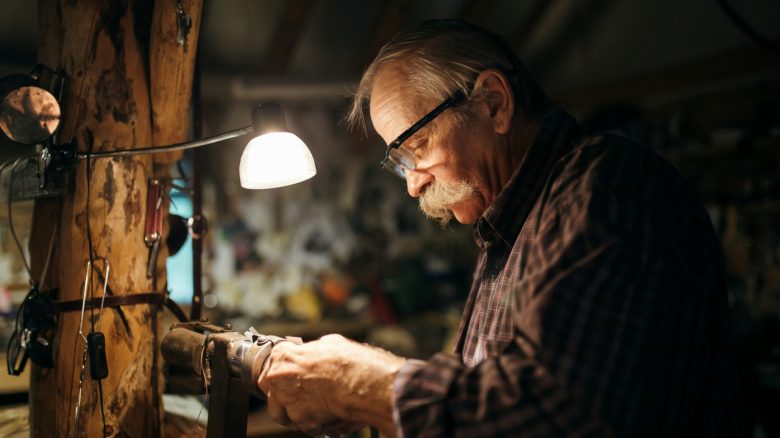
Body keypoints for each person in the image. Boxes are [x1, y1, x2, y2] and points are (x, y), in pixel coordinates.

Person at [258, 19, 743, 437]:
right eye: (399, 162)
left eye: (417, 147)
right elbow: (492, 391)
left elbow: (557, 416)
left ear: (493, 102)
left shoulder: (607, 189)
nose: (411, 185)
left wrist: (360, 382)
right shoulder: (508, 228)